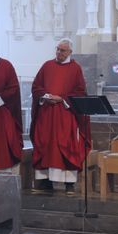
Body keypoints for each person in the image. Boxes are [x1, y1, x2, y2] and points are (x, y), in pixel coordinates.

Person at [30, 39, 90, 193]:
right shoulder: (47, 66)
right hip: (47, 114)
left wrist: (62, 98)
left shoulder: (75, 68)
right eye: (57, 49)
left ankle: (68, 184)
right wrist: (44, 96)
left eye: (63, 50)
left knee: (65, 146)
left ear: (70, 52)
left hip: (65, 114)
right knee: (45, 144)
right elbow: (36, 86)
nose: (59, 53)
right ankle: (45, 182)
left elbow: (80, 91)